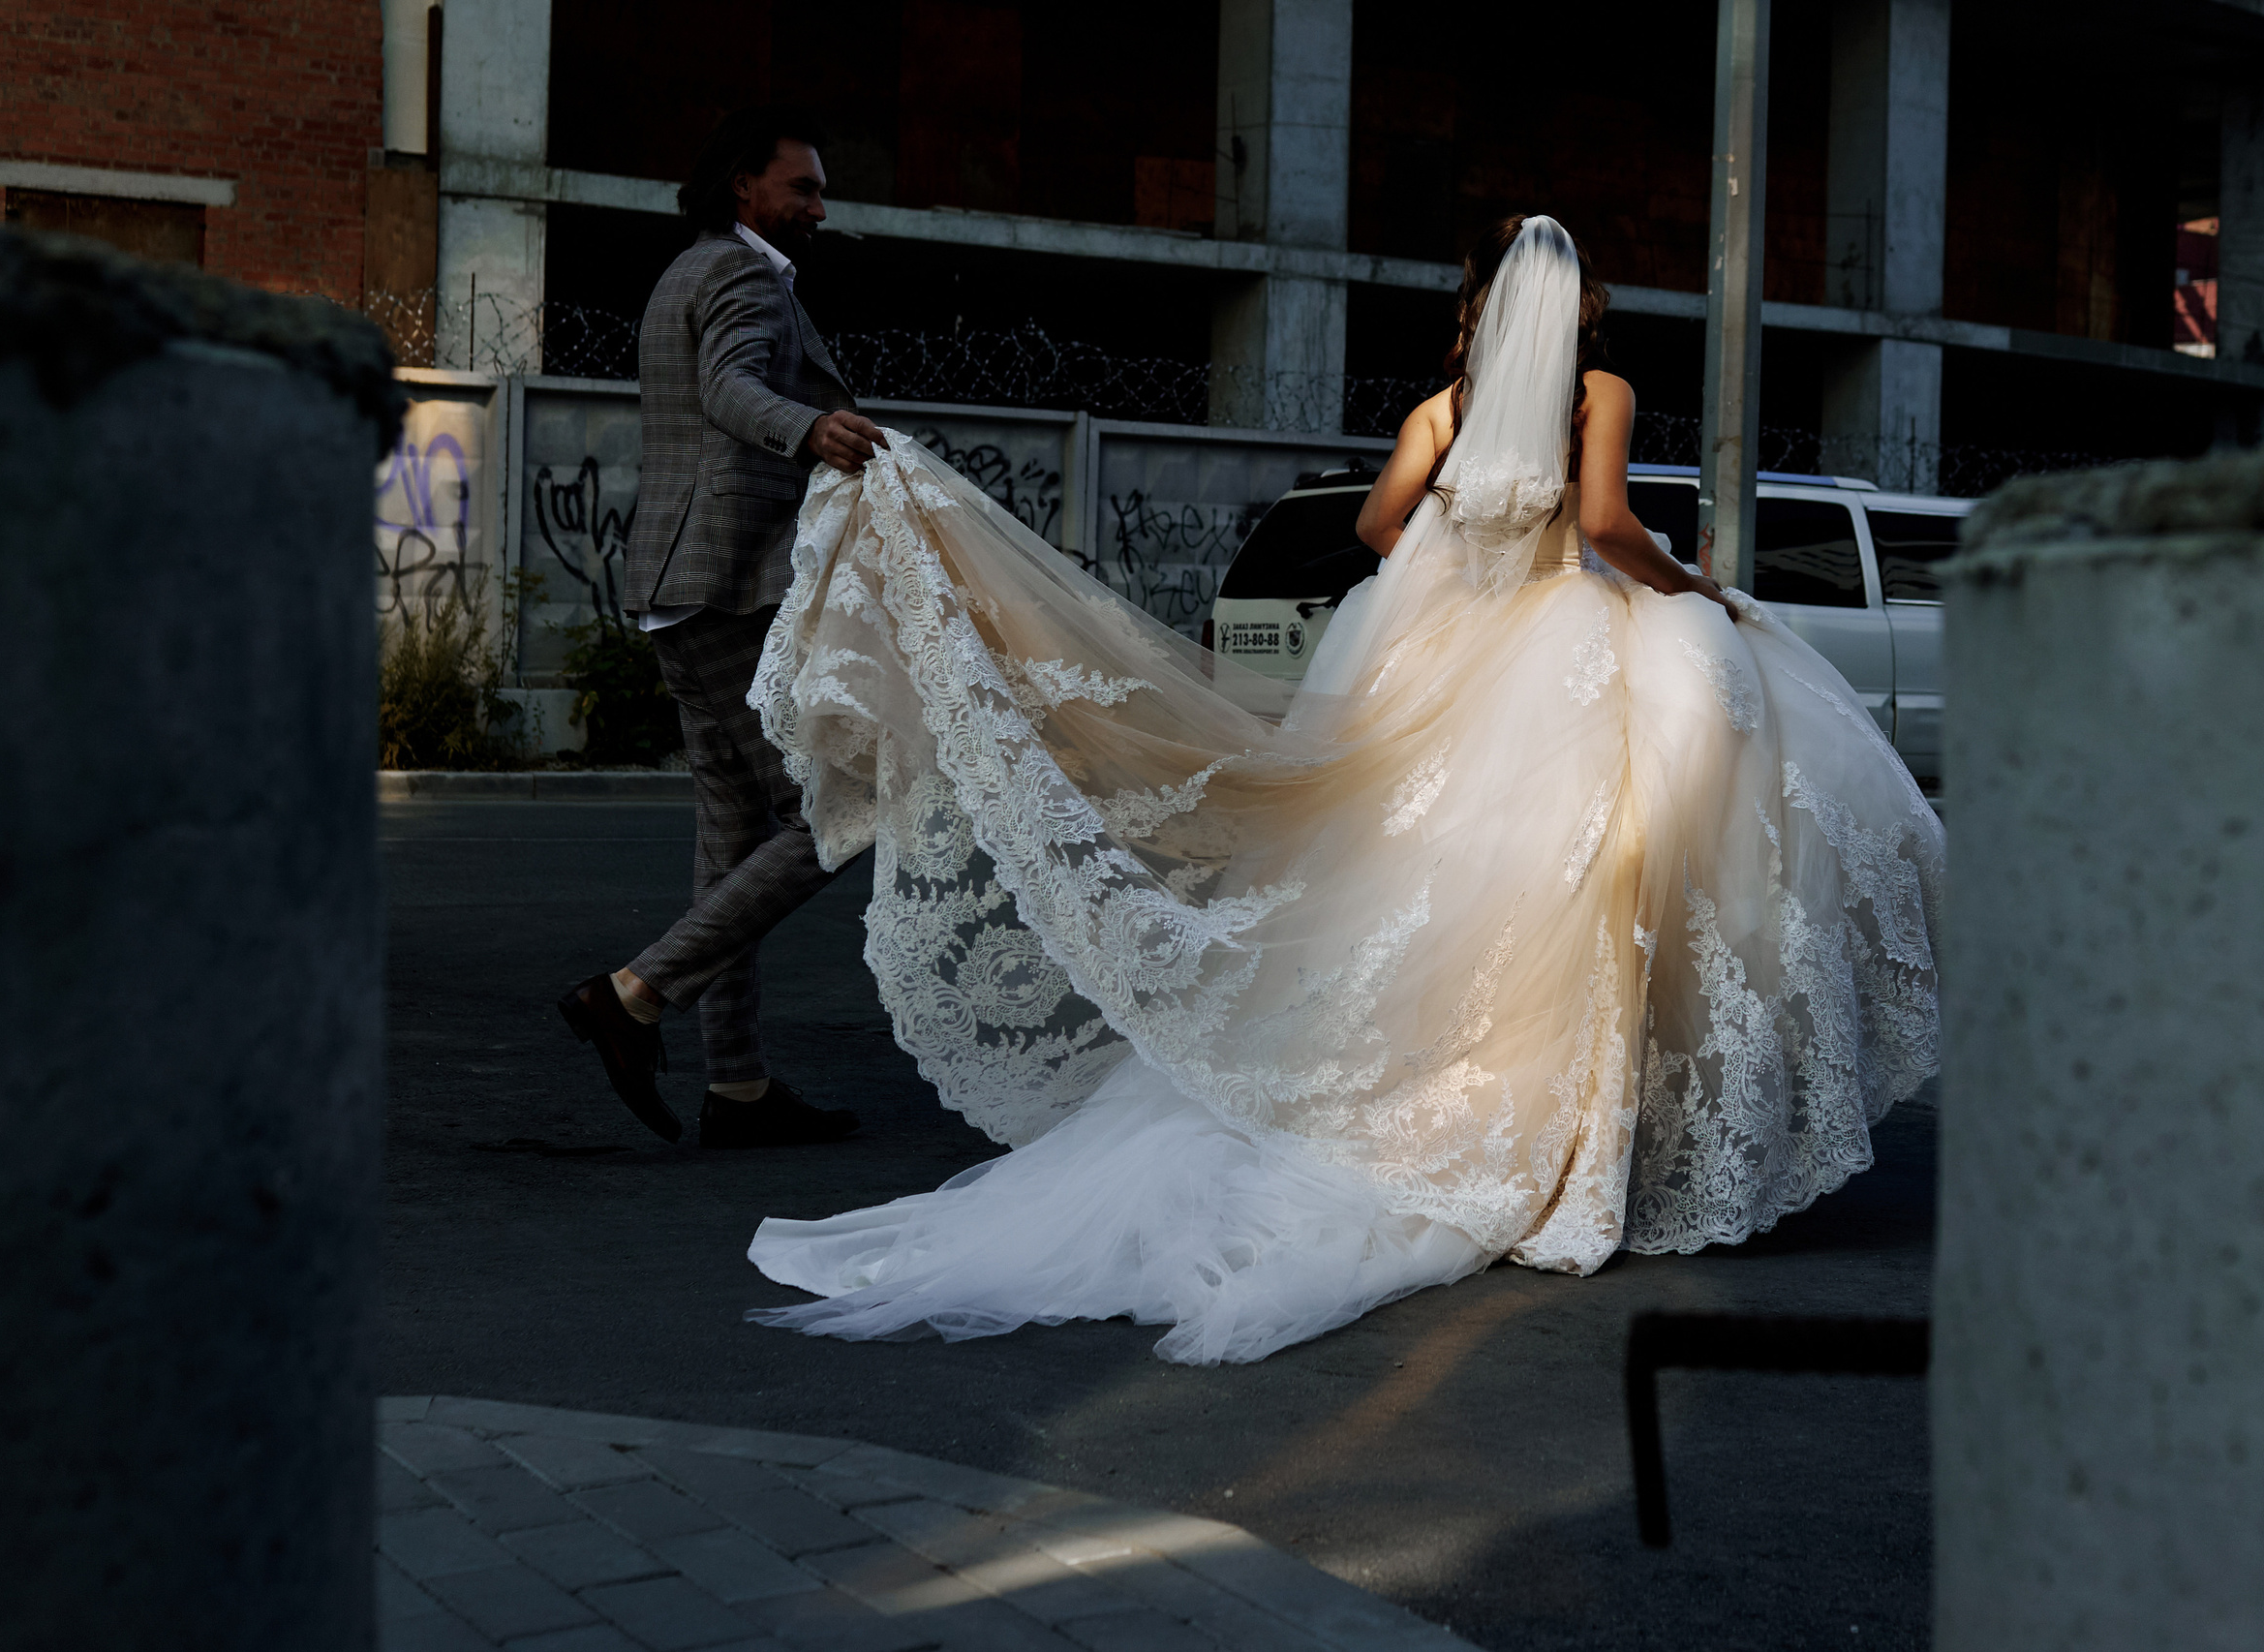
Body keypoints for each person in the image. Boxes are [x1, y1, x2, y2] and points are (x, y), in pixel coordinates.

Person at [736, 214, 1945, 1363]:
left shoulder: (1441, 408)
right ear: (1573, 314)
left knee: (1414, 890)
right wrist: (1688, 588)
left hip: (1441, 657)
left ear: (1482, 312)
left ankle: (1441, 1104)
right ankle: (1574, 1149)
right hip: (1566, 647)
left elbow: (1375, 527)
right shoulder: (1600, 394)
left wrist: (1456, 561)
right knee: (1582, 889)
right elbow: (1608, 522)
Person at [559, 107, 886, 1150]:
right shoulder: (743, 277)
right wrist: (809, 426)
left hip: (680, 584)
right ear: (746, 186)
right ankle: (634, 993)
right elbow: (728, 386)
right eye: (803, 188)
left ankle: (737, 1088)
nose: (818, 207)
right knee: (840, 808)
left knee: (733, 838)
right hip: (723, 585)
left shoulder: (689, 267)